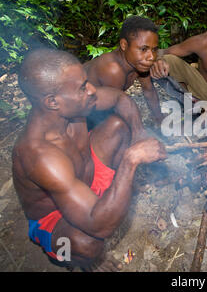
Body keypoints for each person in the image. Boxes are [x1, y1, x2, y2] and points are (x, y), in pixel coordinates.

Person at [12, 48, 167, 270]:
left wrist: (138, 132)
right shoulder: (40, 155)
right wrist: (130, 160)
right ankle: (84, 263)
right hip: (55, 216)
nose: (92, 90)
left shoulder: (72, 107)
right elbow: (99, 226)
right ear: (52, 102)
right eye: (82, 87)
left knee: (118, 126)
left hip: (86, 175)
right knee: (86, 244)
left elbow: (119, 98)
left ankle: (111, 195)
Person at [84, 16, 164, 127]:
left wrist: (160, 120)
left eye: (154, 49)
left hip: (95, 114)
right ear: (124, 45)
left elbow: (149, 90)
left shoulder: (138, 63)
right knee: (119, 126)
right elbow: (117, 109)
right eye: (143, 49)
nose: (151, 57)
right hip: (75, 119)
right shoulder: (112, 69)